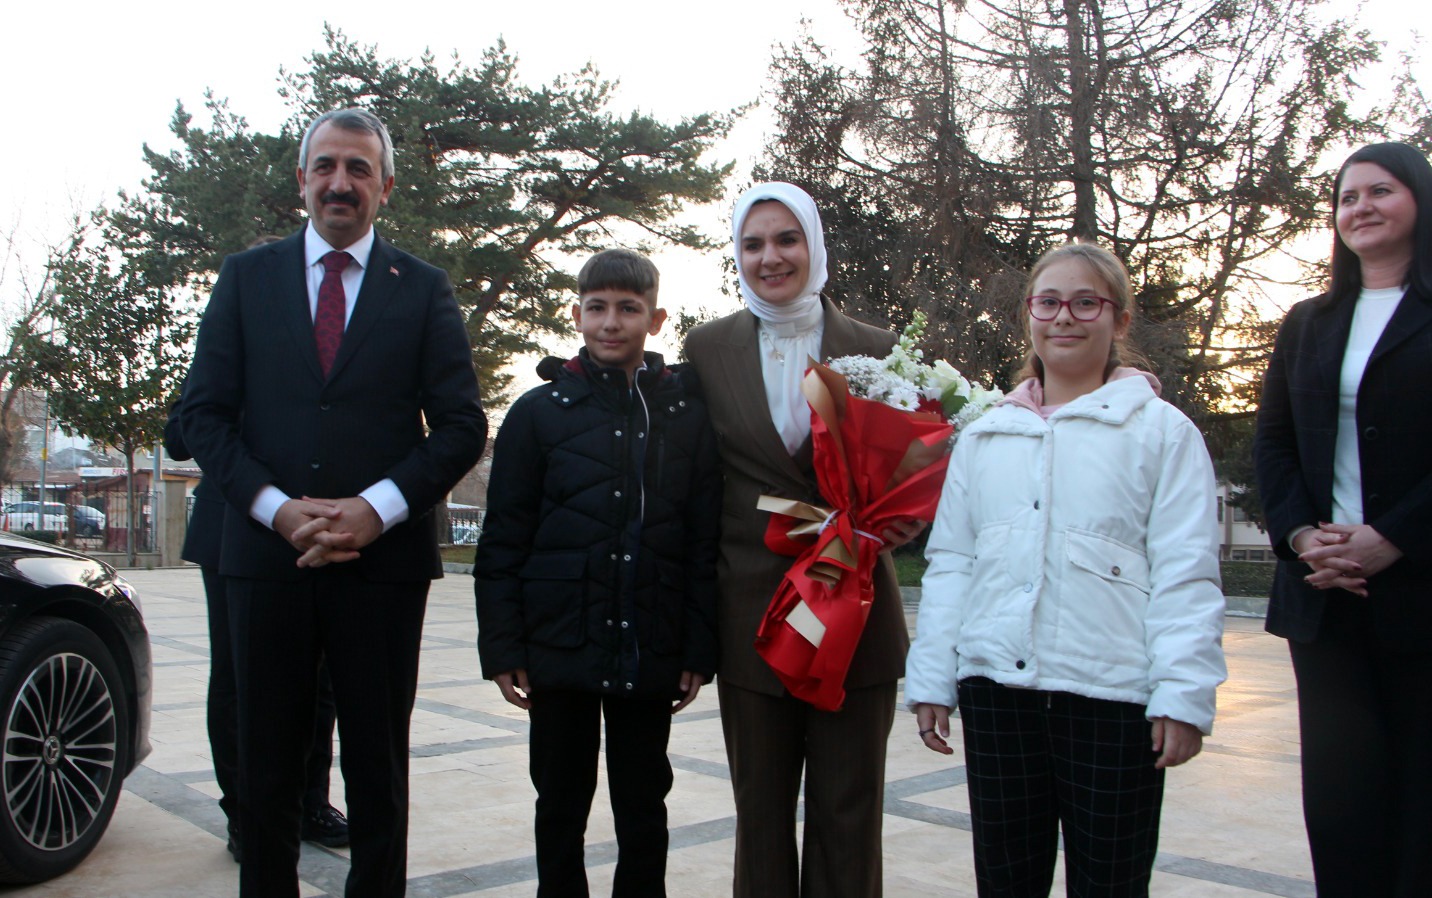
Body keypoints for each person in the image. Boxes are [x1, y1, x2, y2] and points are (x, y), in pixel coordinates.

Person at [180, 107, 487, 898]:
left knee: (378, 772)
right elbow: (201, 416)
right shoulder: (246, 280)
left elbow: (460, 426)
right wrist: (276, 508)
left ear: (385, 187)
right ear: (302, 180)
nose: (340, 183)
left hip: (380, 570)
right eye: (326, 166)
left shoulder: (421, 291)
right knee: (266, 768)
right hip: (262, 560)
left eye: (358, 169)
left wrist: (375, 509)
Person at [906, 242, 1226, 897]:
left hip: (1112, 699)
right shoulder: (988, 436)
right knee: (1006, 879)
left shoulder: (1161, 434)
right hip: (998, 694)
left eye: (1086, 302)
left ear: (1120, 319)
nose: (1065, 318)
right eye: (1048, 302)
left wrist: (1183, 692)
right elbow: (953, 566)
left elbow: (1185, 572)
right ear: (1028, 314)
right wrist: (934, 676)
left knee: (1110, 880)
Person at [683, 182, 919, 898]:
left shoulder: (878, 350)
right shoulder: (706, 349)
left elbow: (915, 473)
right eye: (753, 244)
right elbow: (690, 485)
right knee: (760, 813)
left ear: (815, 246)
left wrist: (903, 522)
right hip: (754, 618)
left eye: (786, 239)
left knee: (850, 811)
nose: (770, 257)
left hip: (856, 617)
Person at [474, 248, 720, 897]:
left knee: (643, 805)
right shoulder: (536, 413)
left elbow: (701, 541)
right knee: (559, 803)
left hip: (650, 643)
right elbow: (502, 540)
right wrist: (503, 645)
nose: (612, 322)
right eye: (597, 307)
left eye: (628, 308)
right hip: (559, 644)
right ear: (577, 314)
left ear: (656, 317)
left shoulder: (686, 417)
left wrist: (696, 646)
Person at [1253, 141, 1432, 897]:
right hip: (1325, 599)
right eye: (1347, 197)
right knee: (1340, 802)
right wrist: (1301, 540)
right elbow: (1274, 443)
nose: (1360, 208)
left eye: (1379, 191)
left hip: (1421, 591)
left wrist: (1393, 538)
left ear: (1419, 201)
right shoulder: (1307, 323)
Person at [164, 397, 350, 862]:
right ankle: (245, 812)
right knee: (236, 678)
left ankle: (310, 803)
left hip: (319, 518)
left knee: (320, 678)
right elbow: (179, 440)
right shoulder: (233, 337)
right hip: (233, 524)